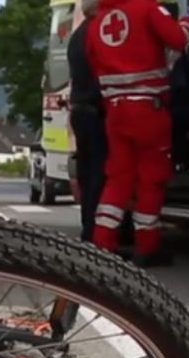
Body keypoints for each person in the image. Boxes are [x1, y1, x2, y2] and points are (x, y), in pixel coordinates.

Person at [86, 0, 189, 266]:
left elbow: (94, 66)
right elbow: (179, 40)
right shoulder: (147, 8)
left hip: (115, 111)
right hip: (148, 109)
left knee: (118, 179)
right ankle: (147, 246)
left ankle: (103, 245)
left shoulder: (96, 24)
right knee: (151, 179)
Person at [67, 0, 107, 243]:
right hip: (94, 110)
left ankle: (88, 229)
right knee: (99, 175)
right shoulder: (95, 32)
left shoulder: (76, 36)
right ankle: (95, 233)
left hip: (80, 110)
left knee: (87, 172)